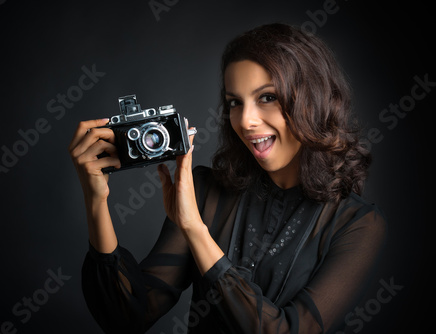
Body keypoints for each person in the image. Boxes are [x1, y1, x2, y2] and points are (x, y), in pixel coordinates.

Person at [68, 23, 386, 334]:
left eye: (267, 97)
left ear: (312, 100)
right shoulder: (208, 191)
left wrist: (196, 230)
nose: (246, 121)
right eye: (235, 102)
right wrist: (96, 201)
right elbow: (127, 319)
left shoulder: (357, 224)